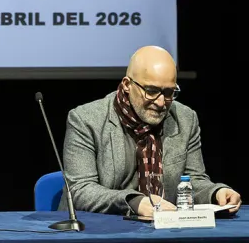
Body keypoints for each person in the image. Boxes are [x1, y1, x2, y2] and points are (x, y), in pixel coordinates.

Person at [62, 45, 241, 216]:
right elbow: (80, 189)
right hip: (98, 229)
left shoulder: (186, 119)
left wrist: (216, 192)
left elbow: (192, 181)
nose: (161, 102)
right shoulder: (85, 119)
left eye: (169, 92)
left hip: (165, 227)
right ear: (127, 85)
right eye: (152, 91)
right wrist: (134, 202)